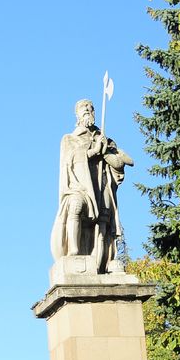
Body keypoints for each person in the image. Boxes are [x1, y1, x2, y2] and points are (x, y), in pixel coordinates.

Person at [51, 99, 134, 273]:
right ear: (78, 116)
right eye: (84, 109)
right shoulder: (70, 139)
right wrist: (93, 150)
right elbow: (70, 160)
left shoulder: (104, 138)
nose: (88, 111)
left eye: (91, 109)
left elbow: (125, 161)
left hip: (101, 185)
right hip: (78, 186)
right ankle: (74, 252)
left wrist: (106, 152)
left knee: (104, 221)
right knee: (76, 206)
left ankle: (102, 263)